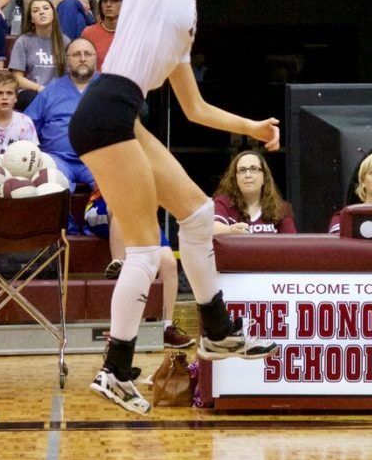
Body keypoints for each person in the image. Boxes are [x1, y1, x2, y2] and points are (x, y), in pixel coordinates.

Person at [67, 0, 280, 416]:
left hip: (121, 117)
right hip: (105, 109)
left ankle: (217, 333)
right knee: (144, 248)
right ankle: (115, 369)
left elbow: (192, 107)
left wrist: (252, 129)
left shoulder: (182, 16)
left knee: (194, 215)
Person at [83, 188, 194, 349]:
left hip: (140, 215)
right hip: (103, 206)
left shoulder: (156, 164)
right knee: (120, 204)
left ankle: (166, 328)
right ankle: (119, 265)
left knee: (169, 262)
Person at [25, 36, 99, 191]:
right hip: (57, 160)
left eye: (88, 54)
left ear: (96, 58)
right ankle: (66, 217)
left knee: (115, 194)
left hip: (99, 160)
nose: (83, 58)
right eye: (76, 54)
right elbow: (27, 127)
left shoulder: (108, 89)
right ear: (67, 60)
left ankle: (96, 214)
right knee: (50, 189)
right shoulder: (51, 90)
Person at [213, 150, 296, 234]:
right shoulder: (224, 202)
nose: (248, 175)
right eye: (242, 170)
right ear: (235, 178)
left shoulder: (281, 209)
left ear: (264, 177)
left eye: (254, 169)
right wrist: (230, 230)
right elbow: (211, 229)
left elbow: (292, 243)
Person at [8, 0, 70, 105]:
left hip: (57, 92)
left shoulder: (65, 41)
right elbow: (17, 78)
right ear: (31, 18)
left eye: (46, 8)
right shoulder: (23, 41)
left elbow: (70, 76)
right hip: (31, 91)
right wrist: (39, 88)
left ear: (54, 14)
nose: (42, 12)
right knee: (35, 100)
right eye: (36, 10)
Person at [81, 0, 124, 70]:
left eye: (114, 0)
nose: (108, 4)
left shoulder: (133, 33)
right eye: (104, 0)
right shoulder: (88, 33)